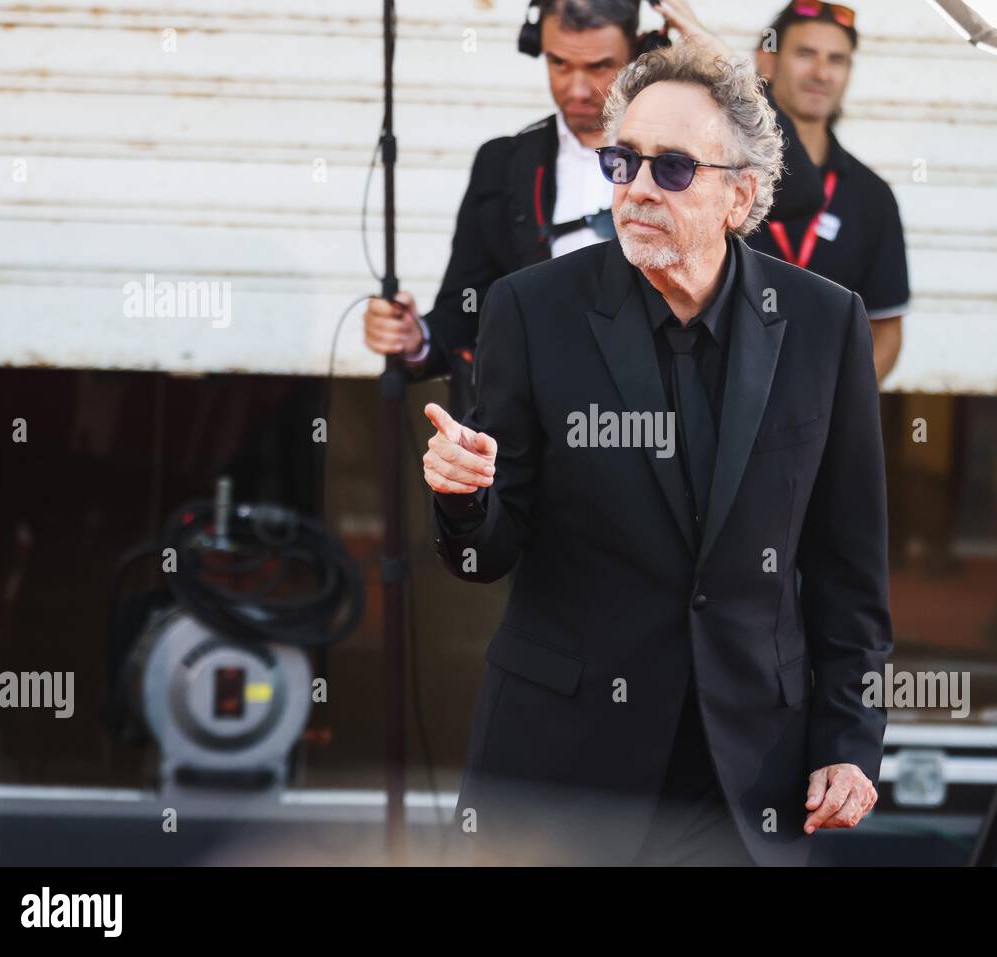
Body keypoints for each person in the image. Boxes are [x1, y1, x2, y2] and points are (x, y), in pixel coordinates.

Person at [421, 41, 890, 866]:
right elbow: (485, 552)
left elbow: (850, 567)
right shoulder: (533, 311)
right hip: (561, 767)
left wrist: (849, 739)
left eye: (671, 168)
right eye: (621, 161)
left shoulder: (825, 325)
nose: (636, 188)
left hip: (745, 777)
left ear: (739, 195)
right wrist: (465, 495)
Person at [361, 0, 824, 415]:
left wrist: (721, 61)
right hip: (547, 416)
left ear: (638, 51)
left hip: (674, 407)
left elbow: (801, 190)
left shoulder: (697, 148)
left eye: (600, 66)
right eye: (559, 64)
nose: (577, 88)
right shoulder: (503, 163)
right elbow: (465, 312)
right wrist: (415, 340)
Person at [748, 1, 910, 382]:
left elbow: (886, 329)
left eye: (837, 60)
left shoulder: (872, 196)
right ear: (766, 62)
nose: (821, 73)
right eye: (805, 54)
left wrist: (840, 410)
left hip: (821, 433)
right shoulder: (723, 173)